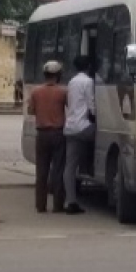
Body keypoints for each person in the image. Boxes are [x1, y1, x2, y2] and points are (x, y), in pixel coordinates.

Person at [27, 61, 68, 213]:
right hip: (58, 134)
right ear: (58, 75)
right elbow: (70, 107)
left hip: (42, 134)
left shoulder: (36, 92)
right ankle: (58, 205)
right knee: (58, 170)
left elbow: (31, 110)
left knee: (41, 172)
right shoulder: (63, 92)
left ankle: (40, 205)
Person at [63, 55, 97, 215]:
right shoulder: (88, 81)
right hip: (84, 127)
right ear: (89, 67)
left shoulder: (71, 82)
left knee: (70, 166)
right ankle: (88, 166)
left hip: (70, 127)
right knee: (101, 135)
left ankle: (71, 201)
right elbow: (91, 105)